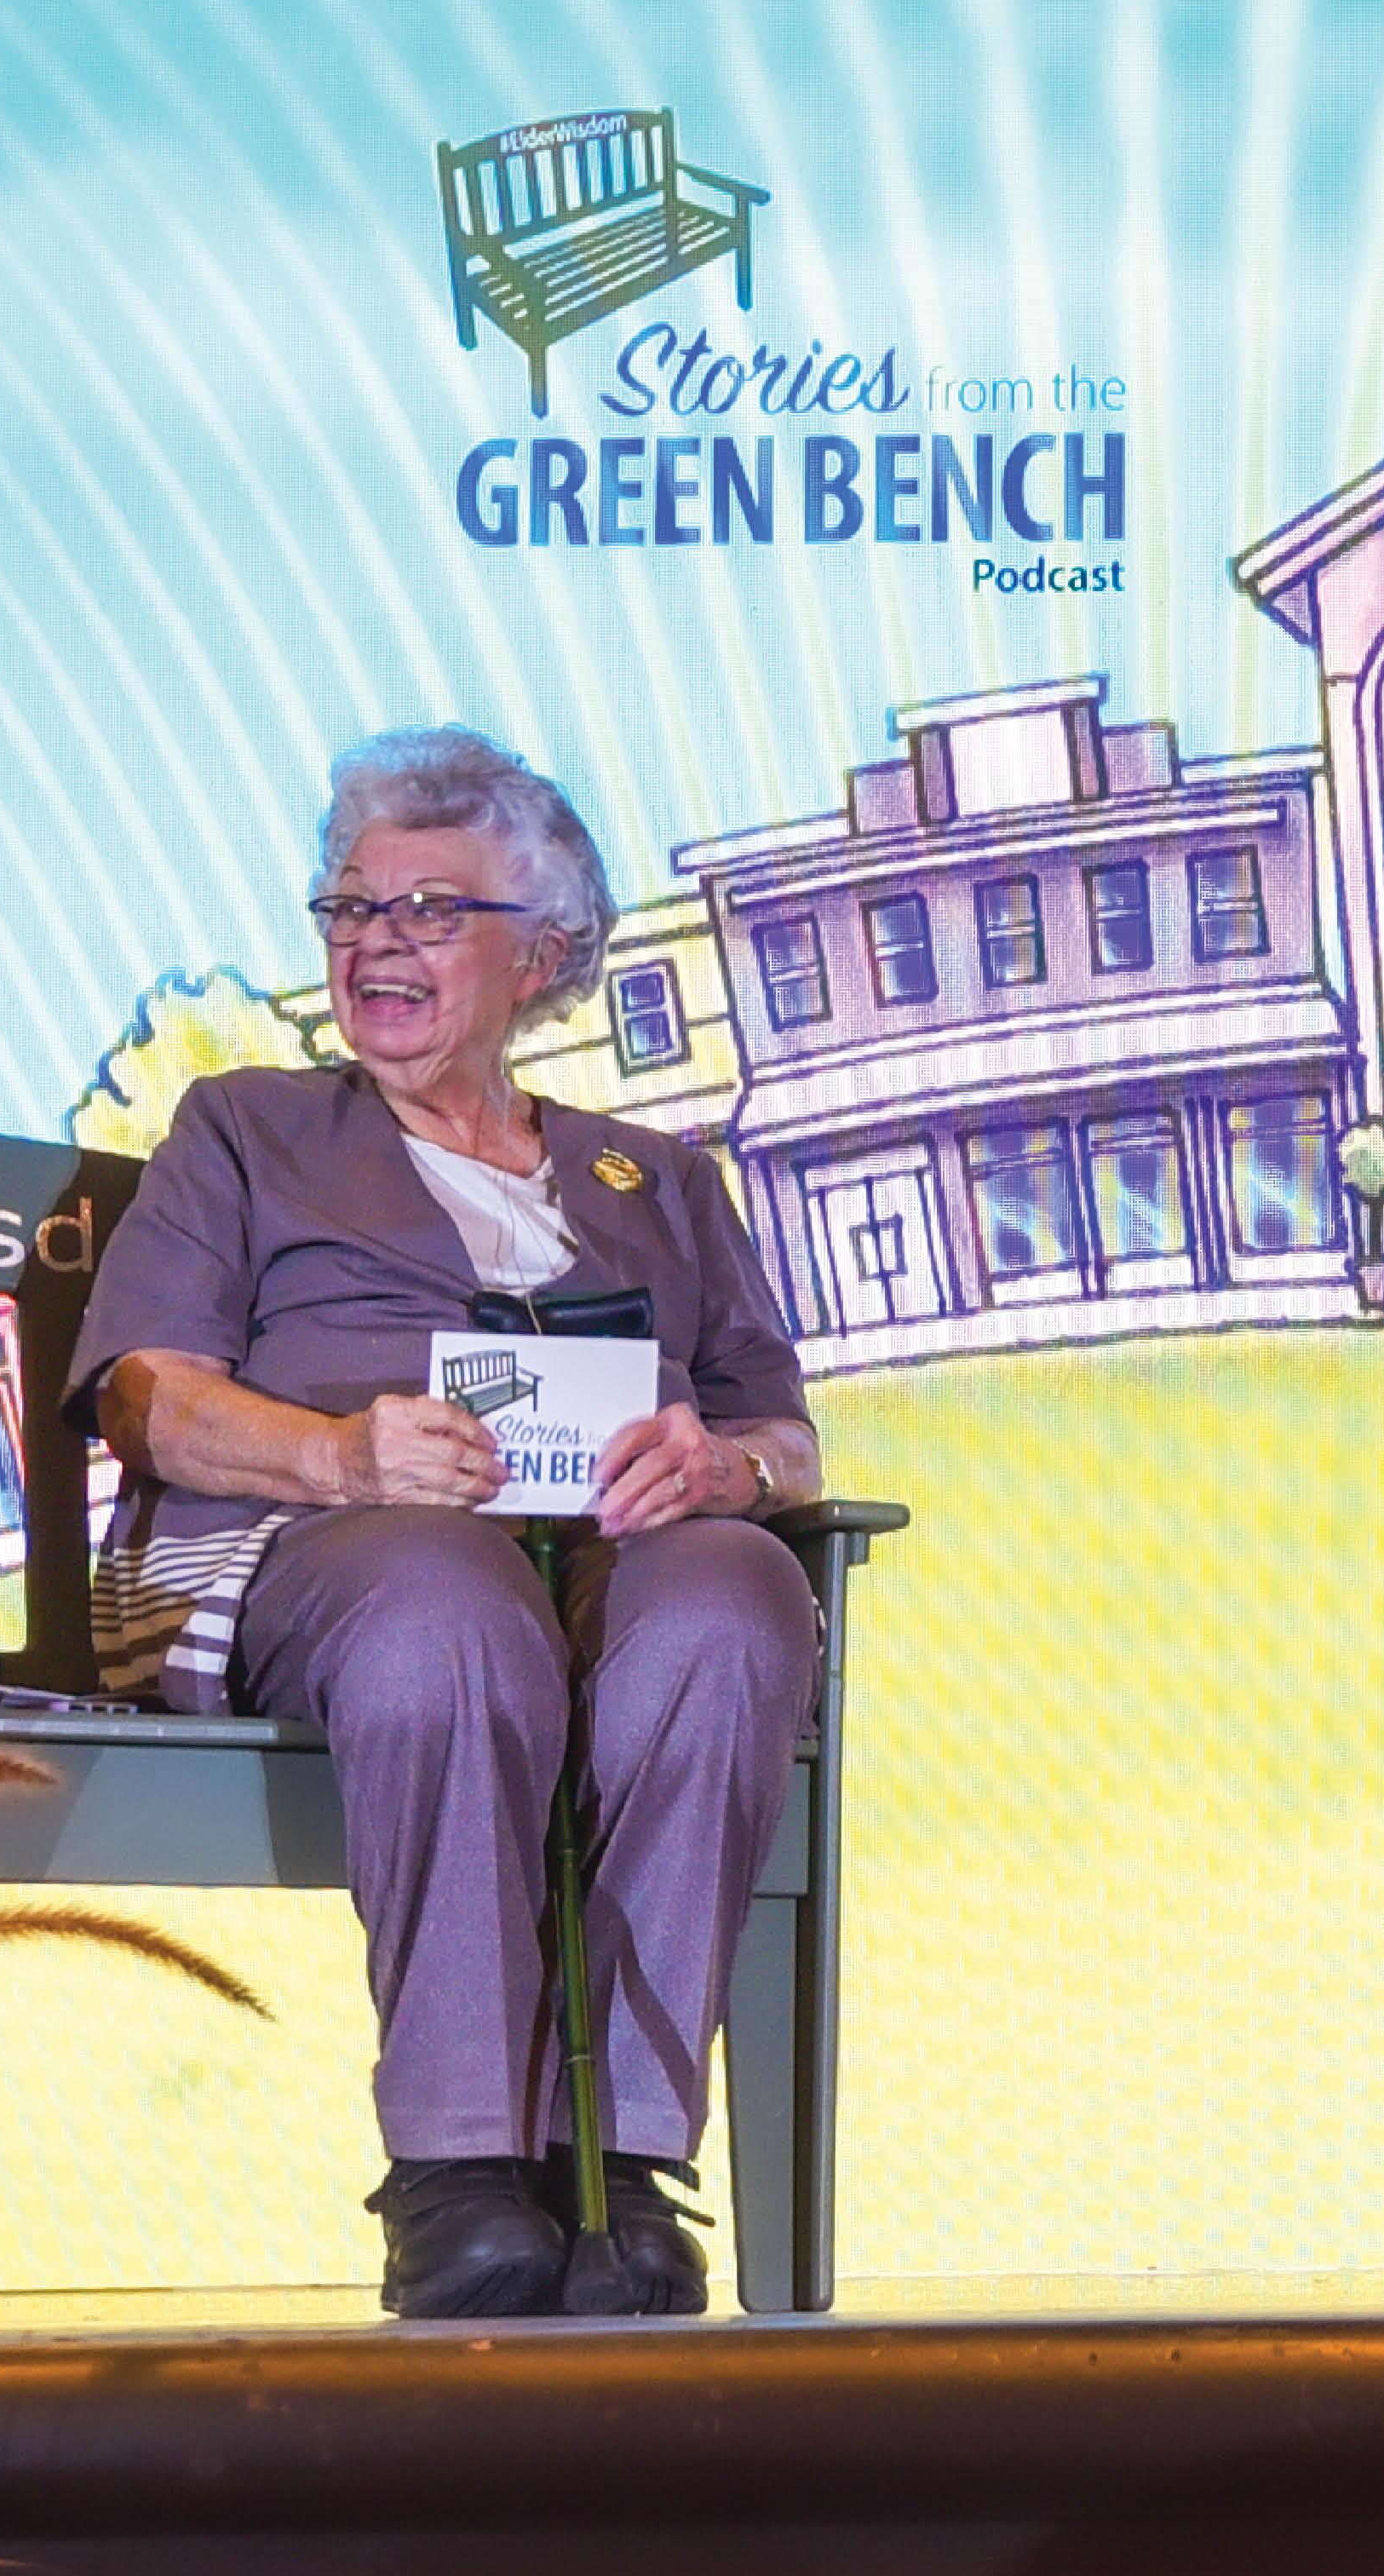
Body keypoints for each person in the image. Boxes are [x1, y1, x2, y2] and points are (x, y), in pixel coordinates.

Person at [68, 728, 827, 2320]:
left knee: (733, 1601)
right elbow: (147, 1397)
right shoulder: (250, 1127)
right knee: (446, 1601)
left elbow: (785, 1436)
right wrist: (343, 1454)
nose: (372, 945)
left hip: (611, 1555)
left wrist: (725, 1474)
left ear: (543, 952)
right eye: (348, 910)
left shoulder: (664, 1180)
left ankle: (621, 2167)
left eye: (426, 911)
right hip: (331, 1552)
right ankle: (461, 2171)